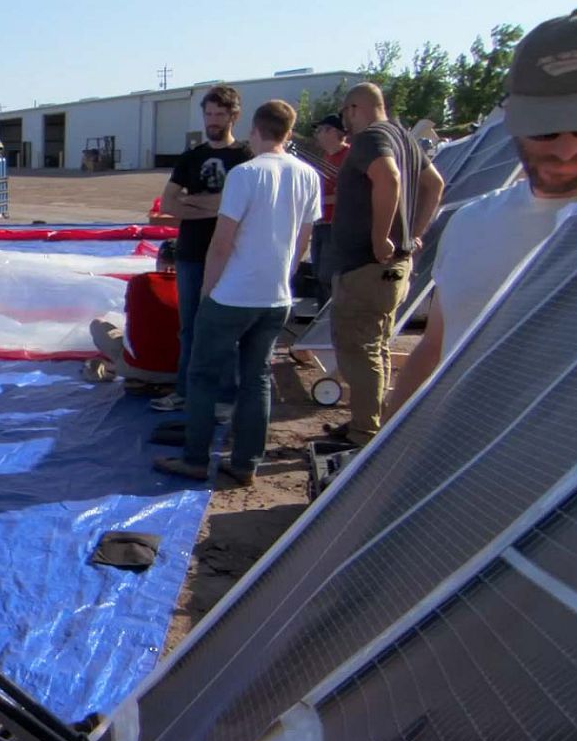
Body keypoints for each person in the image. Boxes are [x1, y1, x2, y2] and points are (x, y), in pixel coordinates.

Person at [385, 10, 577, 419]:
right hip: (465, 464)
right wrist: (376, 455)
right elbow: (436, 344)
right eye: (546, 131)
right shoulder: (471, 224)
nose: (565, 151)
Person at [154, 101, 320, 485]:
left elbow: (221, 242)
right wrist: (285, 279)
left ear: (254, 131)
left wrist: (208, 292)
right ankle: (246, 462)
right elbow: (303, 240)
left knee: (202, 375)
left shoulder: (245, 175)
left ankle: (195, 458)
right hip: (275, 297)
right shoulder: (309, 176)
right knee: (257, 378)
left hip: (233, 295)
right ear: (288, 133)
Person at [324, 83, 445, 445]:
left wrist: (381, 239)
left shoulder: (371, 138)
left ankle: (365, 432)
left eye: (346, 113)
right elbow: (434, 184)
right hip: (393, 267)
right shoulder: (405, 139)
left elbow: (389, 177)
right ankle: (370, 418)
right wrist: (414, 235)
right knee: (375, 346)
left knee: (358, 348)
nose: (346, 122)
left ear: (356, 108)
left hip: (367, 265)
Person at [152, 84, 255, 412]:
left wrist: (194, 202)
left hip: (231, 254)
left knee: (225, 327)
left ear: (234, 116)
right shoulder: (191, 158)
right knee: (190, 327)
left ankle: (225, 397)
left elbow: (249, 206)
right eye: (208, 113)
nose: (212, 120)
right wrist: (219, 206)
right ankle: (185, 390)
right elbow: (169, 203)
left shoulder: (245, 157)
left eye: (219, 114)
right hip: (192, 252)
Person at [88, 241, 179, 389]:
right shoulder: (197, 285)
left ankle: (137, 376)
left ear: (158, 261)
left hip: (137, 368)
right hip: (185, 371)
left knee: (98, 325)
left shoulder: (139, 282)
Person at [305, 114, 351, 305]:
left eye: (320, 130)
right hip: (321, 224)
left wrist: (318, 201)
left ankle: (331, 322)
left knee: (328, 276)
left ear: (333, 131)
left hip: (337, 225)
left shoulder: (349, 156)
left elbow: (348, 194)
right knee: (318, 273)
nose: (317, 135)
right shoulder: (327, 157)